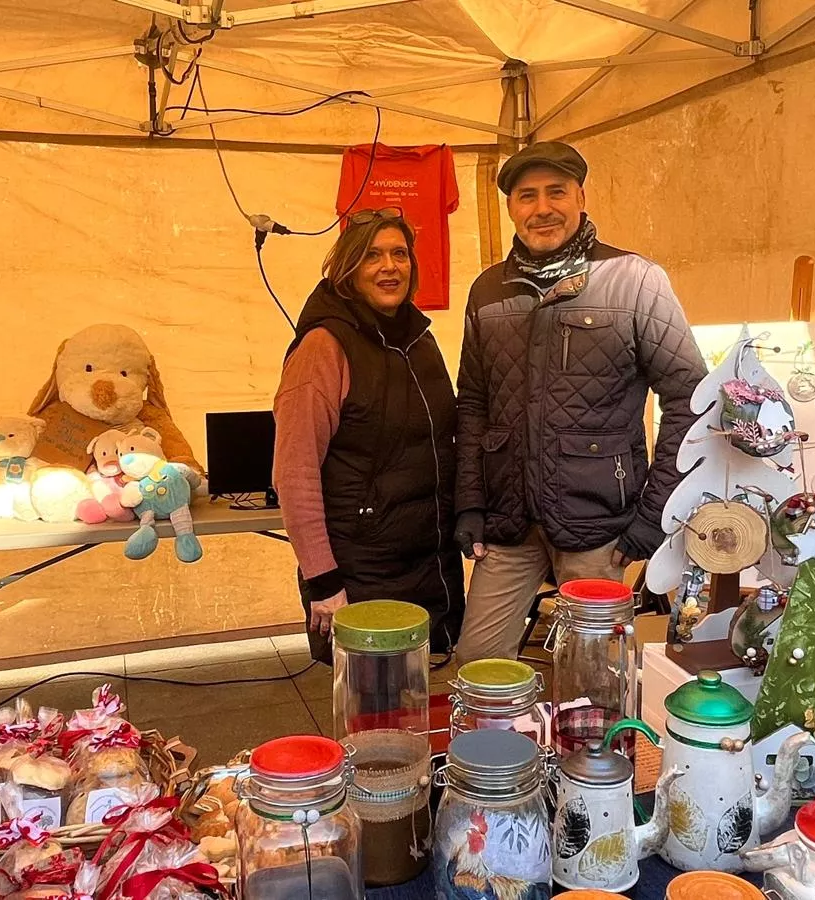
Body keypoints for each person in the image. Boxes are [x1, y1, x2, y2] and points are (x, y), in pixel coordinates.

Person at [453, 141, 707, 663]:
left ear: (581, 197)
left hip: (597, 526)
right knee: (476, 667)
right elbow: (474, 404)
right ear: (511, 208)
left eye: (556, 192)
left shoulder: (635, 280)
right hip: (510, 522)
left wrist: (654, 515)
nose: (542, 208)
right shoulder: (487, 291)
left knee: (595, 683)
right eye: (527, 196)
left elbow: (688, 398)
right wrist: (470, 503)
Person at [273, 208, 464, 662]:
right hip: (360, 568)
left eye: (400, 254)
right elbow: (294, 471)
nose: (389, 266)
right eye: (372, 256)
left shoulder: (419, 339)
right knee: (372, 715)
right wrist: (323, 581)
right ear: (348, 267)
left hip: (428, 561)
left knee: (419, 707)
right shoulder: (324, 346)